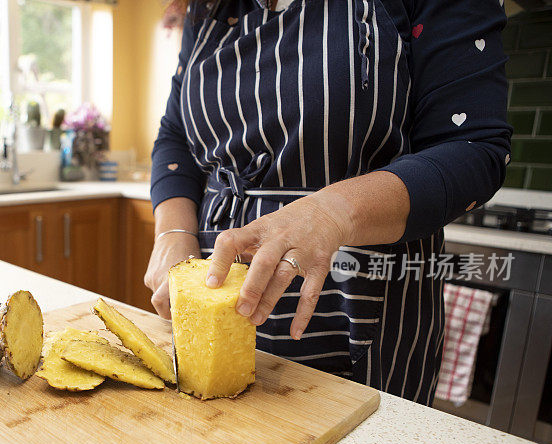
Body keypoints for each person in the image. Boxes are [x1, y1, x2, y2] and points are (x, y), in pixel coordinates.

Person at [146, 0, 512, 404]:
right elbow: (175, 135)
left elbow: (474, 148)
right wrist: (172, 231)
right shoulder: (208, 8)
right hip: (215, 279)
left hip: (358, 297)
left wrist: (331, 212)